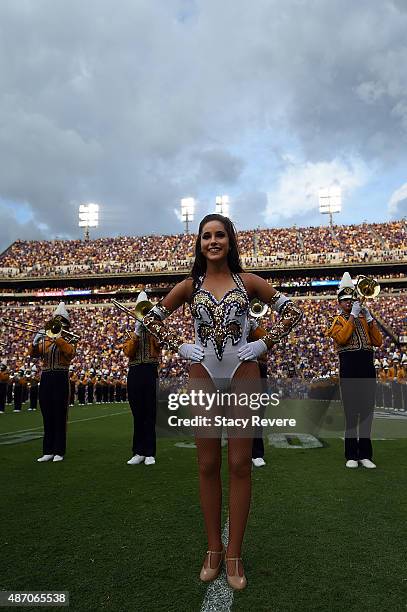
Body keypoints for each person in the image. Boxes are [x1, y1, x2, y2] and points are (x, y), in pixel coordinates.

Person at [141, 214, 302, 590]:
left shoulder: (248, 282)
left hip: (244, 372)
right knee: (208, 462)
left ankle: (235, 552)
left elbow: (293, 312)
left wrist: (264, 343)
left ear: (231, 241)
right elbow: (151, 318)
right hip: (202, 375)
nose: (213, 241)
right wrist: (177, 345)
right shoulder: (188, 285)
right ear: (198, 242)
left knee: (240, 464)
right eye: (206, 236)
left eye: (220, 235)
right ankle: (213, 547)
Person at [326, 273, 382, 469]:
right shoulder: (336, 320)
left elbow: (378, 341)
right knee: (351, 412)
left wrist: (369, 319)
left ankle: (365, 454)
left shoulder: (362, 319)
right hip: (349, 366)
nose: (349, 303)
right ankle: (351, 453)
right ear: (339, 303)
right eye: (345, 301)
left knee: (367, 411)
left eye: (351, 300)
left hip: (366, 365)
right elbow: (342, 338)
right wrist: (352, 316)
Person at [29, 302, 76, 462]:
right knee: (47, 413)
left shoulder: (70, 338)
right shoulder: (46, 339)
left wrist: (58, 338)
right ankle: (47, 450)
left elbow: (70, 353)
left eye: (61, 322)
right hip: (46, 376)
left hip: (61, 376)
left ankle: (59, 450)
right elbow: (35, 355)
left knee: (59, 414)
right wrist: (35, 344)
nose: (58, 325)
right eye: (56, 321)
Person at [123, 291, 161, 466]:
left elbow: (160, 346)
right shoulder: (131, 332)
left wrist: (153, 327)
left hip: (150, 370)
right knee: (137, 413)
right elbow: (128, 352)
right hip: (135, 372)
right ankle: (138, 451)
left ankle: (150, 452)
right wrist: (137, 333)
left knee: (150, 412)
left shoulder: (155, 328)